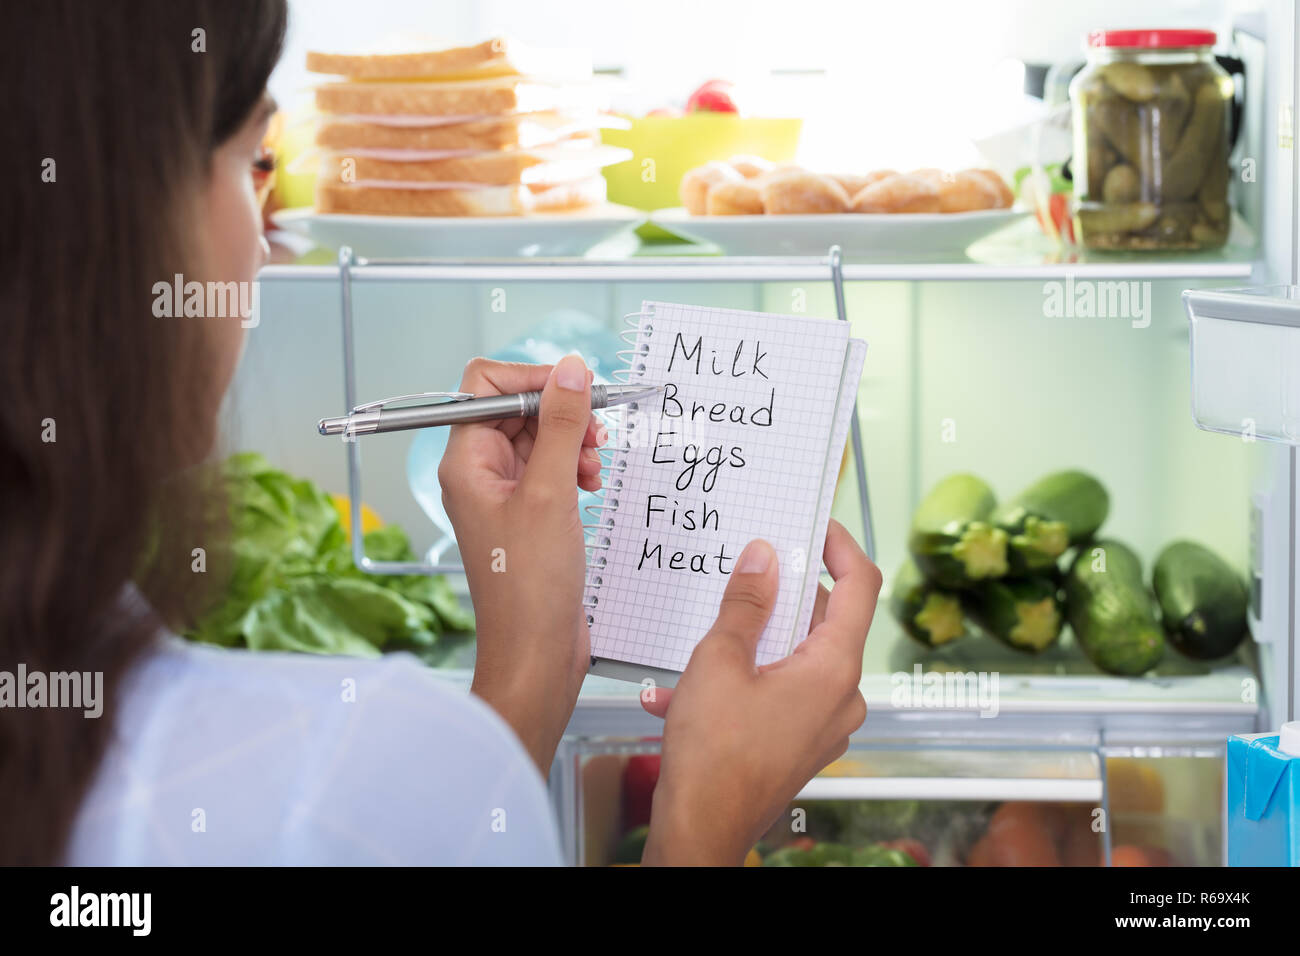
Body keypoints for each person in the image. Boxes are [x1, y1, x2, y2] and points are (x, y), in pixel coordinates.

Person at [0, 0, 881, 866]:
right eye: (253, 160)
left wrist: (531, 671)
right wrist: (705, 821)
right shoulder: (319, 770)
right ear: (120, 221)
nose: (266, 241)